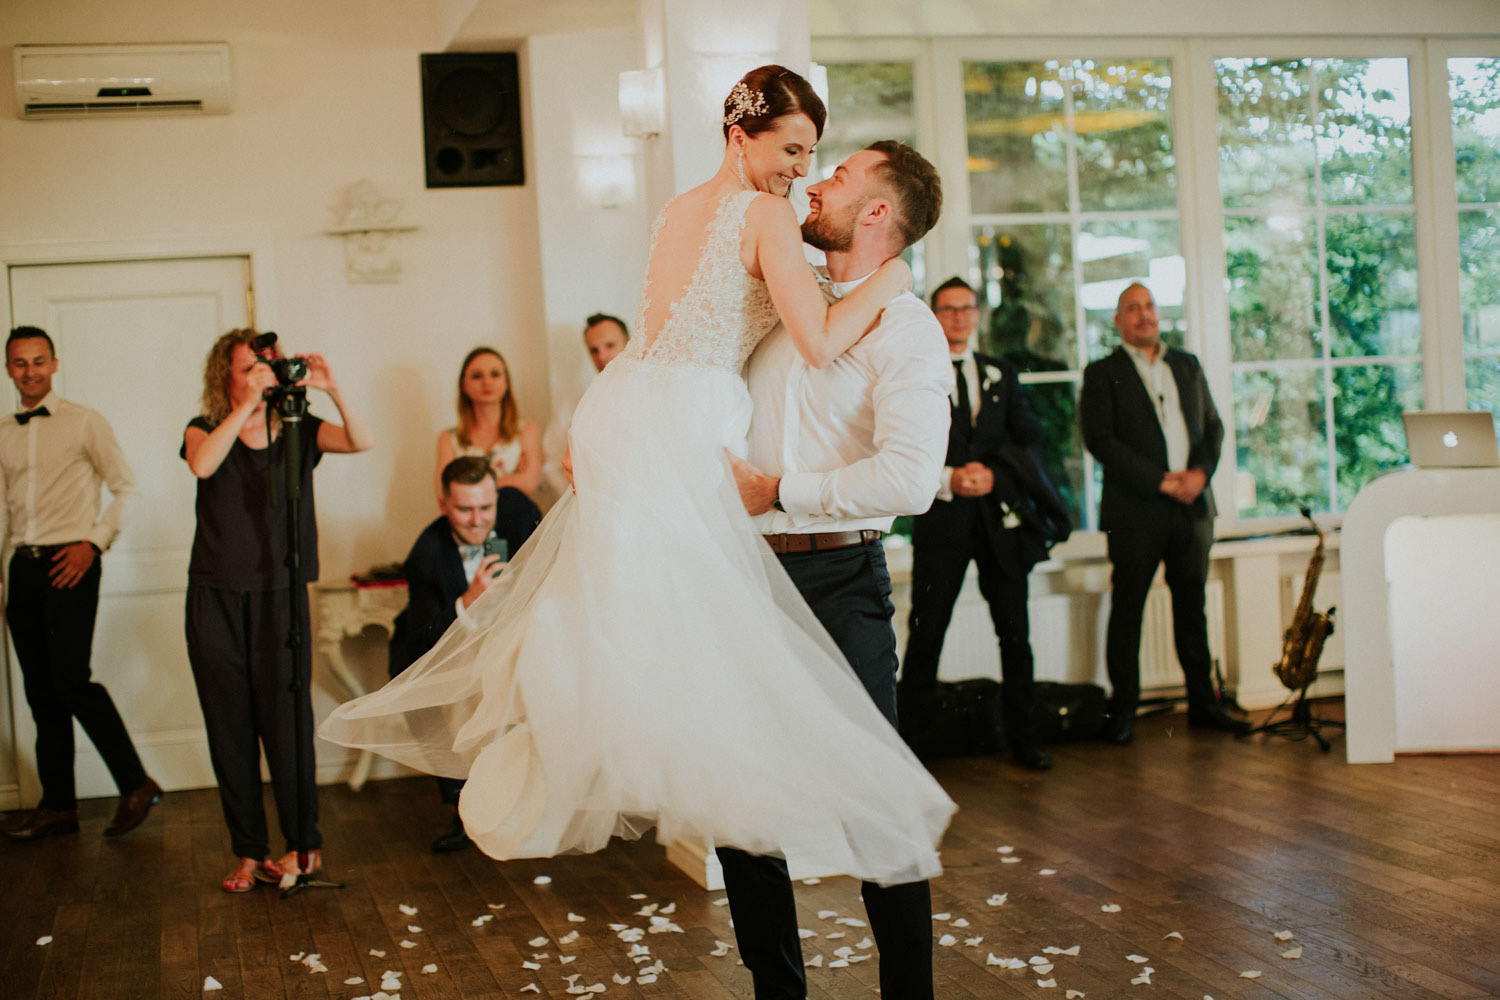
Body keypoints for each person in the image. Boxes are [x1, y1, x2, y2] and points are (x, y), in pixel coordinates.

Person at [321, 65, 954, 891]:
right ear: (741, 137)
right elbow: (820, 338)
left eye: (818, 159)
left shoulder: (679, 211)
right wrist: (900, 275)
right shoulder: (766, 216)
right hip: (691, 422)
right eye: (796, 151)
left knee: (643, 622)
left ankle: (588, 729)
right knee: (701, 663)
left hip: (636, 406)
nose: (805, 171)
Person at [724, 140, 950, 1000]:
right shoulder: (782, 300)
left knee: (876, 806)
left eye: (841, 176)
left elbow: (910, 481)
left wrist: (782, 490)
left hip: (840, 580)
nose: (816, 184)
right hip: (745, 579)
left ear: (878, 212)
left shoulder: (908, 330)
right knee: (740, 811)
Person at [181, 329, 372, 891]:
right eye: (248, 368)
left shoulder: (299, 429)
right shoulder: (202, 427)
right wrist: (244, 408)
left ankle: (304, 846)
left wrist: (333, 388)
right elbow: (202, 466)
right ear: (226, 377)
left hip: (280, 594)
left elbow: (360, 440)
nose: (260, 375)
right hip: (215, 596)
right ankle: (247, 852)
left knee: (287, 725)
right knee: (229, 727)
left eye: (266, 365)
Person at [0, 326, 160, 841]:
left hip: (71, 561)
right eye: (20, 362)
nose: (30, 371)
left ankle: (136, 783)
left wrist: (92, 543)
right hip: (22, 567)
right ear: (8, 369)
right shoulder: (3, 432)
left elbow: (127, 489)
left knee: (71, 680)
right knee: (41, 692)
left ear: (54, 363)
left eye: (38, 360)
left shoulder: (85, 421)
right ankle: (58, 807)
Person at [897, 276, 1057, 772]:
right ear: (933, 314)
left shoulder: (1000, 373)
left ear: (977, 314)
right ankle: (910, 750)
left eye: (966, 308)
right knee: (927, 633)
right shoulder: (914, 371)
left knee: (1015, 635)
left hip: (998, 525)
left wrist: (994, 474)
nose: (959, 317)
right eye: (948, 309)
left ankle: (1025, 739)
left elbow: (1028, 442)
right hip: (942, 523)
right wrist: (948, 478)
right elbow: (902, 444)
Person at [1080, 283, 1248, 744]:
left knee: (1192, 609)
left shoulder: (1186, 365)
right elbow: (1100, 440)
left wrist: (1199, 475)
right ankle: (1123, 712)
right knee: (1128, 611)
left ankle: (1204, 705)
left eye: (1149, 306)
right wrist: (1159, 480)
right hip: (1136, 511)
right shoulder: (1102, 373)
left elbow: (1213, 428)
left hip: (1193, 506)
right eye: (1133, 308)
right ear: (1118, 321)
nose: (1144, 315)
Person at [388, 455, 539, 853]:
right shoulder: (425, 555)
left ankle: (531, 801)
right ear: (444, 505)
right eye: (464, 510)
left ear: (497, 498)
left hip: (511, 634)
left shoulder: (519, 511)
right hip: (440, 643)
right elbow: (425, 637)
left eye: (485, 507)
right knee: (456, 711)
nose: (477, 520)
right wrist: (469, 600)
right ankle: (463, 808)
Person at [539, 314, 630, 503]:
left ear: (628, 344)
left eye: (610, 345)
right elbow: (552, 463)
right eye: (594, 350)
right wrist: (579, 499)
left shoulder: (651, 397)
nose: (602, 356)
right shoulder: (572, 407)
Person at [434, 347, 542, 504]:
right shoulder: (449, 438)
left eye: (495, 374)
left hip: (518, 515)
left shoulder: (526, 429)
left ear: (506, 382)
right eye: (477, 376)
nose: (487, 382)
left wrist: (467, 485)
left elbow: (530, 482)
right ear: (464, 385)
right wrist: (512, 479)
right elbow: (444, 492)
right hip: (468, 518)